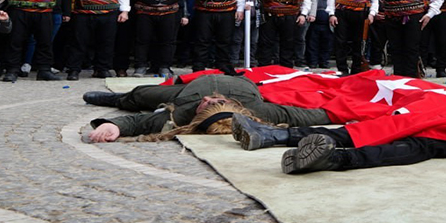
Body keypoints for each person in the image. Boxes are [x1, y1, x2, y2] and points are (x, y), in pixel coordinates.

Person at [83, 74, 333, 142]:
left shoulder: (182, 113)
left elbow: (140, 123)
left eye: (209, 105)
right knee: (140, 93)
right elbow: (314, 115)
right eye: (218, 103)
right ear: (235, 108)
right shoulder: (262, 111)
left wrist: (112, 125)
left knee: (142, 94)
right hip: (239, 79)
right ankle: (119, 98)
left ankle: (117, 100)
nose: (212, 99)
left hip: (184, 93)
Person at [66, 0, 130, 79]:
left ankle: (102, 68)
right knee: (79, 41)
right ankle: (74, 69)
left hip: (108, 14)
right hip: (83, 13)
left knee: (106, 42)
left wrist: (124, 11)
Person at [125, 0, 188, 78]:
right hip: (145, 12)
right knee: (142, 40)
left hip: (169, 12)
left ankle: (165, 66)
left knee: (168, 41)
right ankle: (141, 66)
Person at [327, 0, 378, 75]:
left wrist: (372, 13)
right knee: (341, 42)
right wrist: (331, 14)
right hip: (342, 14)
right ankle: (342, 69)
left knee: (359, 42)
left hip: (362, 14)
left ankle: (356, 69)